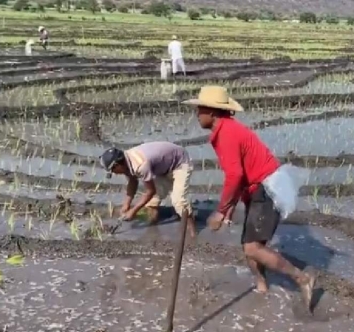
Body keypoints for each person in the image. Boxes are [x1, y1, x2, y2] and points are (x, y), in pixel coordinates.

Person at [182, 86, 316, 310]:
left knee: (252, 248)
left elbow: (235, 175)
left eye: (200, 109)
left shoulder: (227, 133)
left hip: (266, 189)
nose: (197, 113)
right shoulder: (224, 130)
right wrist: (232, 207)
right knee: (249, 245)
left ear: (212, 112)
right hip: (256, 189)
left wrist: (221, 210)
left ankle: (302, 278)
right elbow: (240, 174)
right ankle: (262, 287)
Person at [99, 141, 196, 238]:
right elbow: (133, 182)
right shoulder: (125, 161)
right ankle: (152, 229)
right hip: (163, 167)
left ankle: (192, 232)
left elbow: (150, 191)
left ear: (117, 165)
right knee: (152, 202)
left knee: (178, 201)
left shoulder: (140, 165)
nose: (114, 173)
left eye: (113, 171)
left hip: (180, 162)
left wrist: (133, 211)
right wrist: (126, 205)